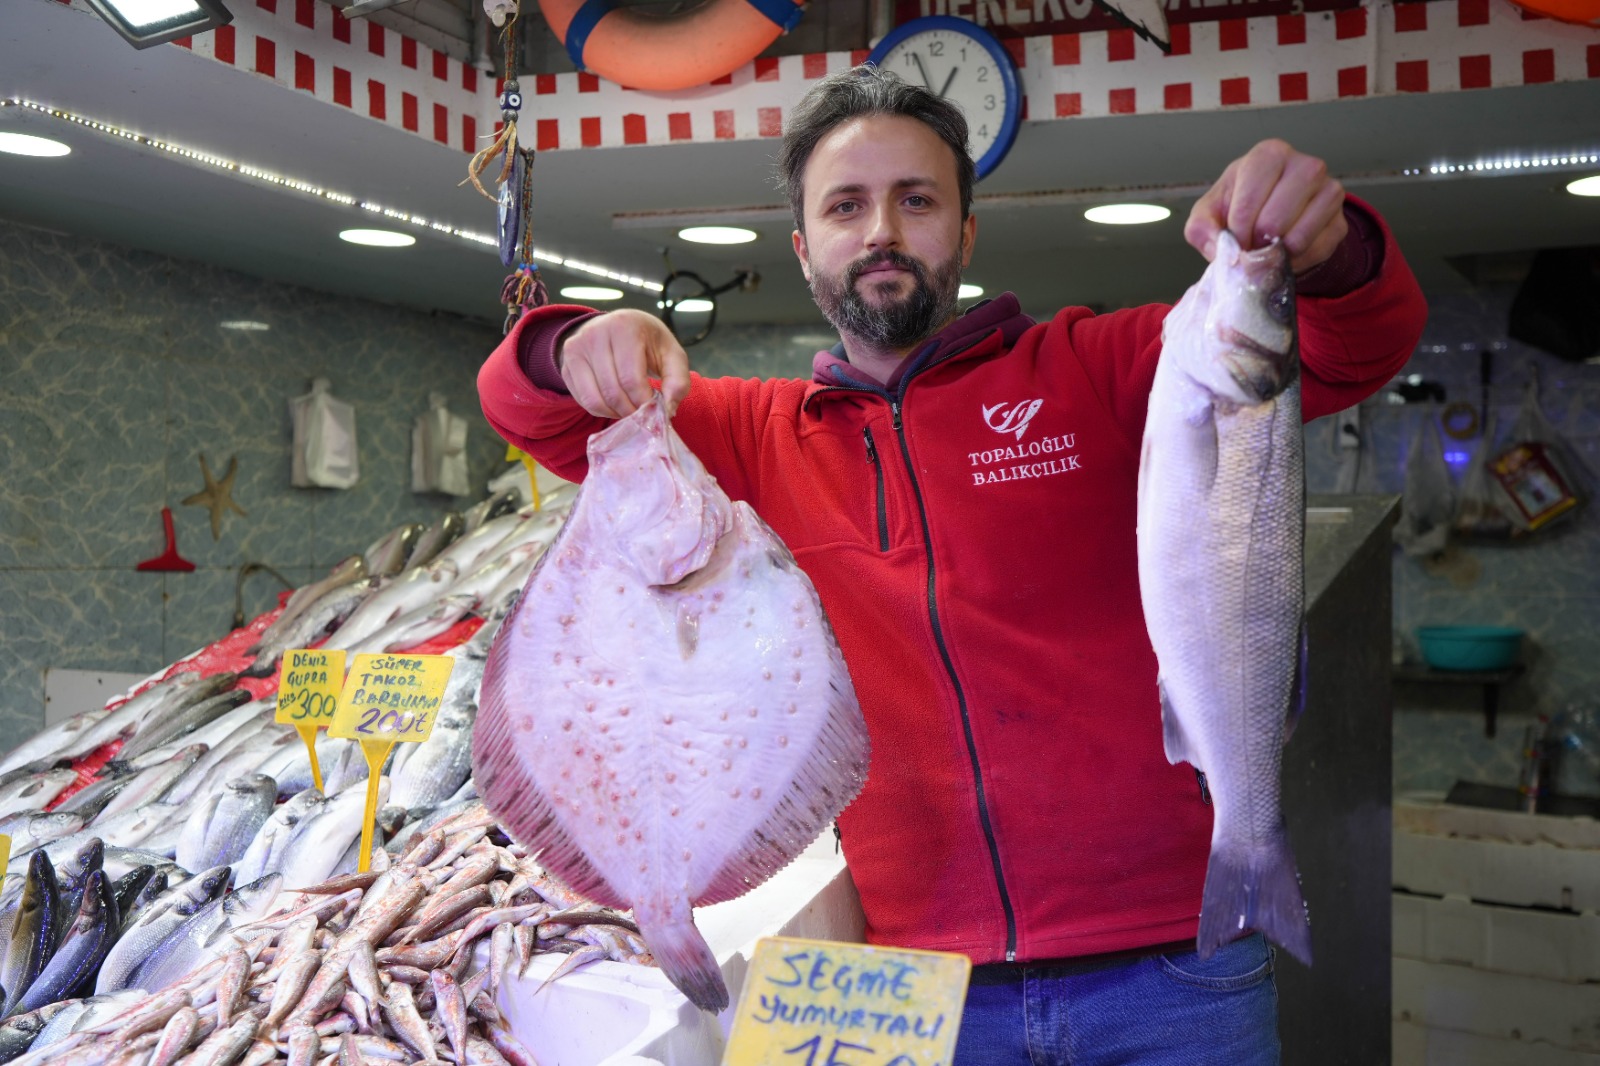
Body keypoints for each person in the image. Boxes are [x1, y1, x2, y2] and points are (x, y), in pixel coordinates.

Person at [478, 65, 1426, 1065]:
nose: (880, 228)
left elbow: (1351, 345)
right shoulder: (749, 433)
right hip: (911, 983)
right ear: (804, 249)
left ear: (965, 233)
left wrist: (1334, 250)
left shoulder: (1104, 368)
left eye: (916, 199)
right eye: (845, 205)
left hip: (1171, 965)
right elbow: (529, 410)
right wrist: (571, 344)